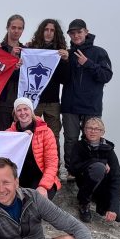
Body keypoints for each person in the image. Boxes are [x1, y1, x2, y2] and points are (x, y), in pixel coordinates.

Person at [61, 19, 113, 174]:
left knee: (91, 138)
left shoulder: (99, 52)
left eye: (79, 32)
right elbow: (60, 78)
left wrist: (88, 63)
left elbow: (106, 75)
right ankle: (71, 170)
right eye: (72, 33)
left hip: (92, 105)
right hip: (70, 105)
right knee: (70, 139)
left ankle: (91, 170)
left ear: (86, 32)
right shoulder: (67, 54)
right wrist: (64, 62)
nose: (76, 35)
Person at [67, 117, 120, 224]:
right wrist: (98, 162)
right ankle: (84, 203)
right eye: (89, 128)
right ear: (84, 131)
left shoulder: (109, 150)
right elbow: (73, 168)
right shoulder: (79, 146)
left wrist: (113, 207)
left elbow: (117, 179)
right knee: (99, 167)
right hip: (86, 185)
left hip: (103, 190)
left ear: (102, 132)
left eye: (97, 129)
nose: (93, 131)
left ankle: (100, 203)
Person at [25, 19, 69, 161]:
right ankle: (30, 165)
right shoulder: (31, 49)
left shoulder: (60, 51)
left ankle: (53, 169)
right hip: (34, 99)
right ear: (41, 31)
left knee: (53, 135)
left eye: (52, 30)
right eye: (46, 29)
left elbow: (65, 79)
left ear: (56, 33)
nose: (49, 33)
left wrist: (64, 61)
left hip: (53, 102)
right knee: (30, 132)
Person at [6, 97, 61, 199]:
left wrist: (43, 186)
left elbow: (52, 163)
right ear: (15, 113)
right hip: (18, 177)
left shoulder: (46, 132)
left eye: (26, 109)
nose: (23, 113)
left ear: (32, 111)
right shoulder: (9, 134)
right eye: (19, 110)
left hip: (40, 175)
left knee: (38, 203)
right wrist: (21, 138)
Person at [0, 15, 26, 130]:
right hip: (1, 102)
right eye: (13, 27)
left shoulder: (26, 51)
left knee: (21, 139)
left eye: (19, 28)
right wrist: (10, 61)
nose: (16, 31)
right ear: (7, 28)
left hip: (21, 103)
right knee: (2, 137)